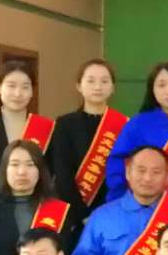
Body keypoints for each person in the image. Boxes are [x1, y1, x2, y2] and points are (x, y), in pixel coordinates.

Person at [70, 145, 168, 255]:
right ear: (127, 172)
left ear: (167, 177)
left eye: (156, 172)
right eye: (141, 170)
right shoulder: (102, 216)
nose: (147, 178)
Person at [106, 60, 168, 201]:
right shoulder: (138, 124)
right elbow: (117, 162)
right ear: (152, 90)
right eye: (161, 85)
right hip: (142, 203)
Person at [48, 58, 127, 219]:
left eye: (104, 81)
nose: (98, 87)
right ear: (79, 86)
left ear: (113, 88)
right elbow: (62, 174)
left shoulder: (124, 125)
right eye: (91, 81)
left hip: (114, 210)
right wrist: (81, 215)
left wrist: (110, 210)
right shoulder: (64, 124)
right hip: (74, 212)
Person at [0, 60, 55, 200]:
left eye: (25, 87)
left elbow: (49, 171)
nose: (18, 93)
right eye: (11, 86)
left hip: (35, 205)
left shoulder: (44, 127)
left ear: (32, 91)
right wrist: (1, 204)